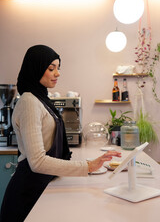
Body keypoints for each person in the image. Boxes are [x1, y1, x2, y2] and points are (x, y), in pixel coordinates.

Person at [0, 45, 121, 222]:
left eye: (58, 68)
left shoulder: (40, 99)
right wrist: (87, 166)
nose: (57, 73)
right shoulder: (29, 102)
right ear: (35, 68)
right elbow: (37, 161)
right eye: (51, 68)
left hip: (40, 184)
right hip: (27, 193)